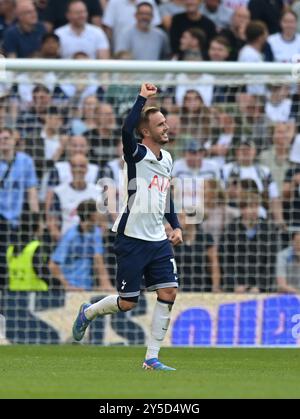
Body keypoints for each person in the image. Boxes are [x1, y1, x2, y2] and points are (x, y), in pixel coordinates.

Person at [72, 83, 183, 371]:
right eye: (160, 124)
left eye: (165, 122)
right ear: (145, 131)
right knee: (127, 303)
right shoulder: (136, 154)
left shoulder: (168, 159)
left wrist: (176, 225)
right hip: (131, 238)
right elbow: (125, 130)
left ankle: (151, 358)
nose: (166, 127)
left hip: (158, 239)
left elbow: (165, 195)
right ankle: (89, 312)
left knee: (169, 291)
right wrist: (141, 99)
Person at [0, 127, 39, 287]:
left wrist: (37, 219)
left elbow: (31, 192)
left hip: (17, 221)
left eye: (6, 138)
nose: (4, 141)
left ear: (14, 140)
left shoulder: (25, 161)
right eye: (1, 139)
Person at [219, 188, 278, 292]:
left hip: (261, 288)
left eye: (256, 206)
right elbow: (226, 261)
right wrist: (234, 285)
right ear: (242, 209)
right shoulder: (230, 230)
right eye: (250, 206)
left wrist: (260, 286)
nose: (254, 210)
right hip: (237, 288)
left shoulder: (268, 229)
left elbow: (271, 261)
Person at [49, 200, 112, 291]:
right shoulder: (71, 235)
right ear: (92, 215)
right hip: (69, 290)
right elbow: (53, 265)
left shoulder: (96, 233)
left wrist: (106, 285)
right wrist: (68, 286)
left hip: (87, 288)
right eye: (98, 211)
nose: (101, 214)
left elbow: (98, 260)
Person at [46, 153, 100, 241]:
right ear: (70, 169)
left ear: (87, 169)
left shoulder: (97, 192)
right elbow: (52, 223)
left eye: (82, 166)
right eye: (75, 166)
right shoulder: (59, 192)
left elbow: (102, 224)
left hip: (91, 242)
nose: (78, 169)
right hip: (66, 241)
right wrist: (63, 243)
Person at [6, 212, 49, 291]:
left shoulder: (10, 249)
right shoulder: (36, 247)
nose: (44, 227)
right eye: (42, 223)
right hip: (36, 295)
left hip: (13, 296)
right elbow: (43, 273)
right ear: (36, 226)